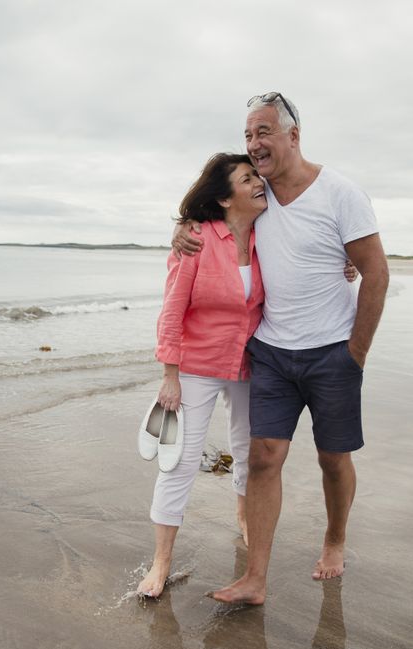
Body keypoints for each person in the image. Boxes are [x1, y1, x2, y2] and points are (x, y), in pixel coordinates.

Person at [173, 92, 389, 605]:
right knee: (264, 457)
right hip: (270, 350)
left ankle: (335, 540)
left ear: (294, 135)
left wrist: (355, 353)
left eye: (263, 132)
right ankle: (255, 579)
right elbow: (210, 212)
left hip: (333, 352)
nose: (254, 144)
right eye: (248, 135)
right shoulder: (257, 196)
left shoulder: (340, 193)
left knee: (333, 459)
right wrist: (181, 227)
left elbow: (376, 272)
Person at [137, 152, 267, 598]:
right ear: (226, 198)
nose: (258, 184)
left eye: (257, 176)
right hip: (196, 366)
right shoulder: (196, 240)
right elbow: (172, 310)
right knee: (181, 463)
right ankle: (160, 563)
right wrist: (169, 374)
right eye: (247, 179)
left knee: (250, 454)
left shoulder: (270, 235)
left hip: (250, 365)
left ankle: (245, 518)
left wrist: (344, 266)